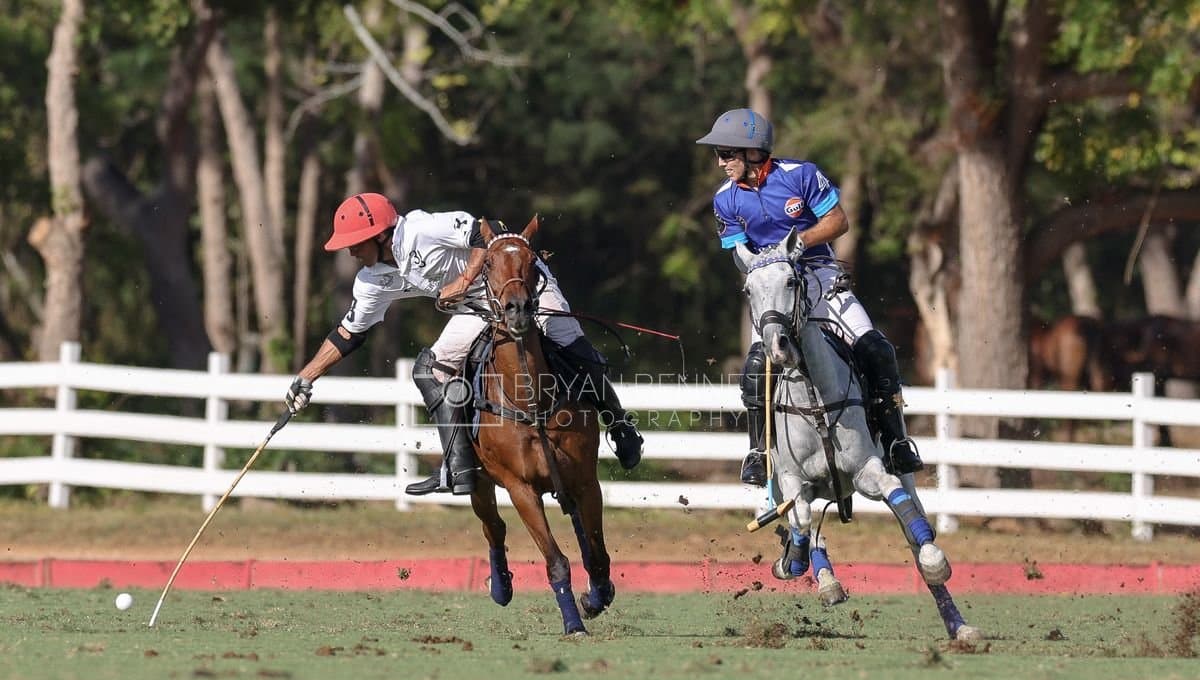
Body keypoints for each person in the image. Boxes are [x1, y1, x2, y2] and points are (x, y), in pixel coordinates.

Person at [284, 192, 643, 496]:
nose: (350, 253)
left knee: (574, 348)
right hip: (479, 309)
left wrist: (464, 280)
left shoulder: (425, 228)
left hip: (522, 287)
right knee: (430, 371)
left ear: (380, 235)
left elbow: (490, 234)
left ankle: (620, 425)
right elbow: (349, 333)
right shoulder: (371, 280)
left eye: (354, 244)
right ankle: (458, 468)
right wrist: (307, 377)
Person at [696, 108, 923, 483]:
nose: (720, 163)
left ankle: (897, 442)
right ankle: (759, 452)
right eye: (718, 155)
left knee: (877, 350)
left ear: (754, 153)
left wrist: (796, 244)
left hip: (820, 278)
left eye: (726, 154)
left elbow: (838, 221)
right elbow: (737, 251)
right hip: (775, 291)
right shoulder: (725, 199)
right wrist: (759, 265)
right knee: (755, 369)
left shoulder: (800, 175)